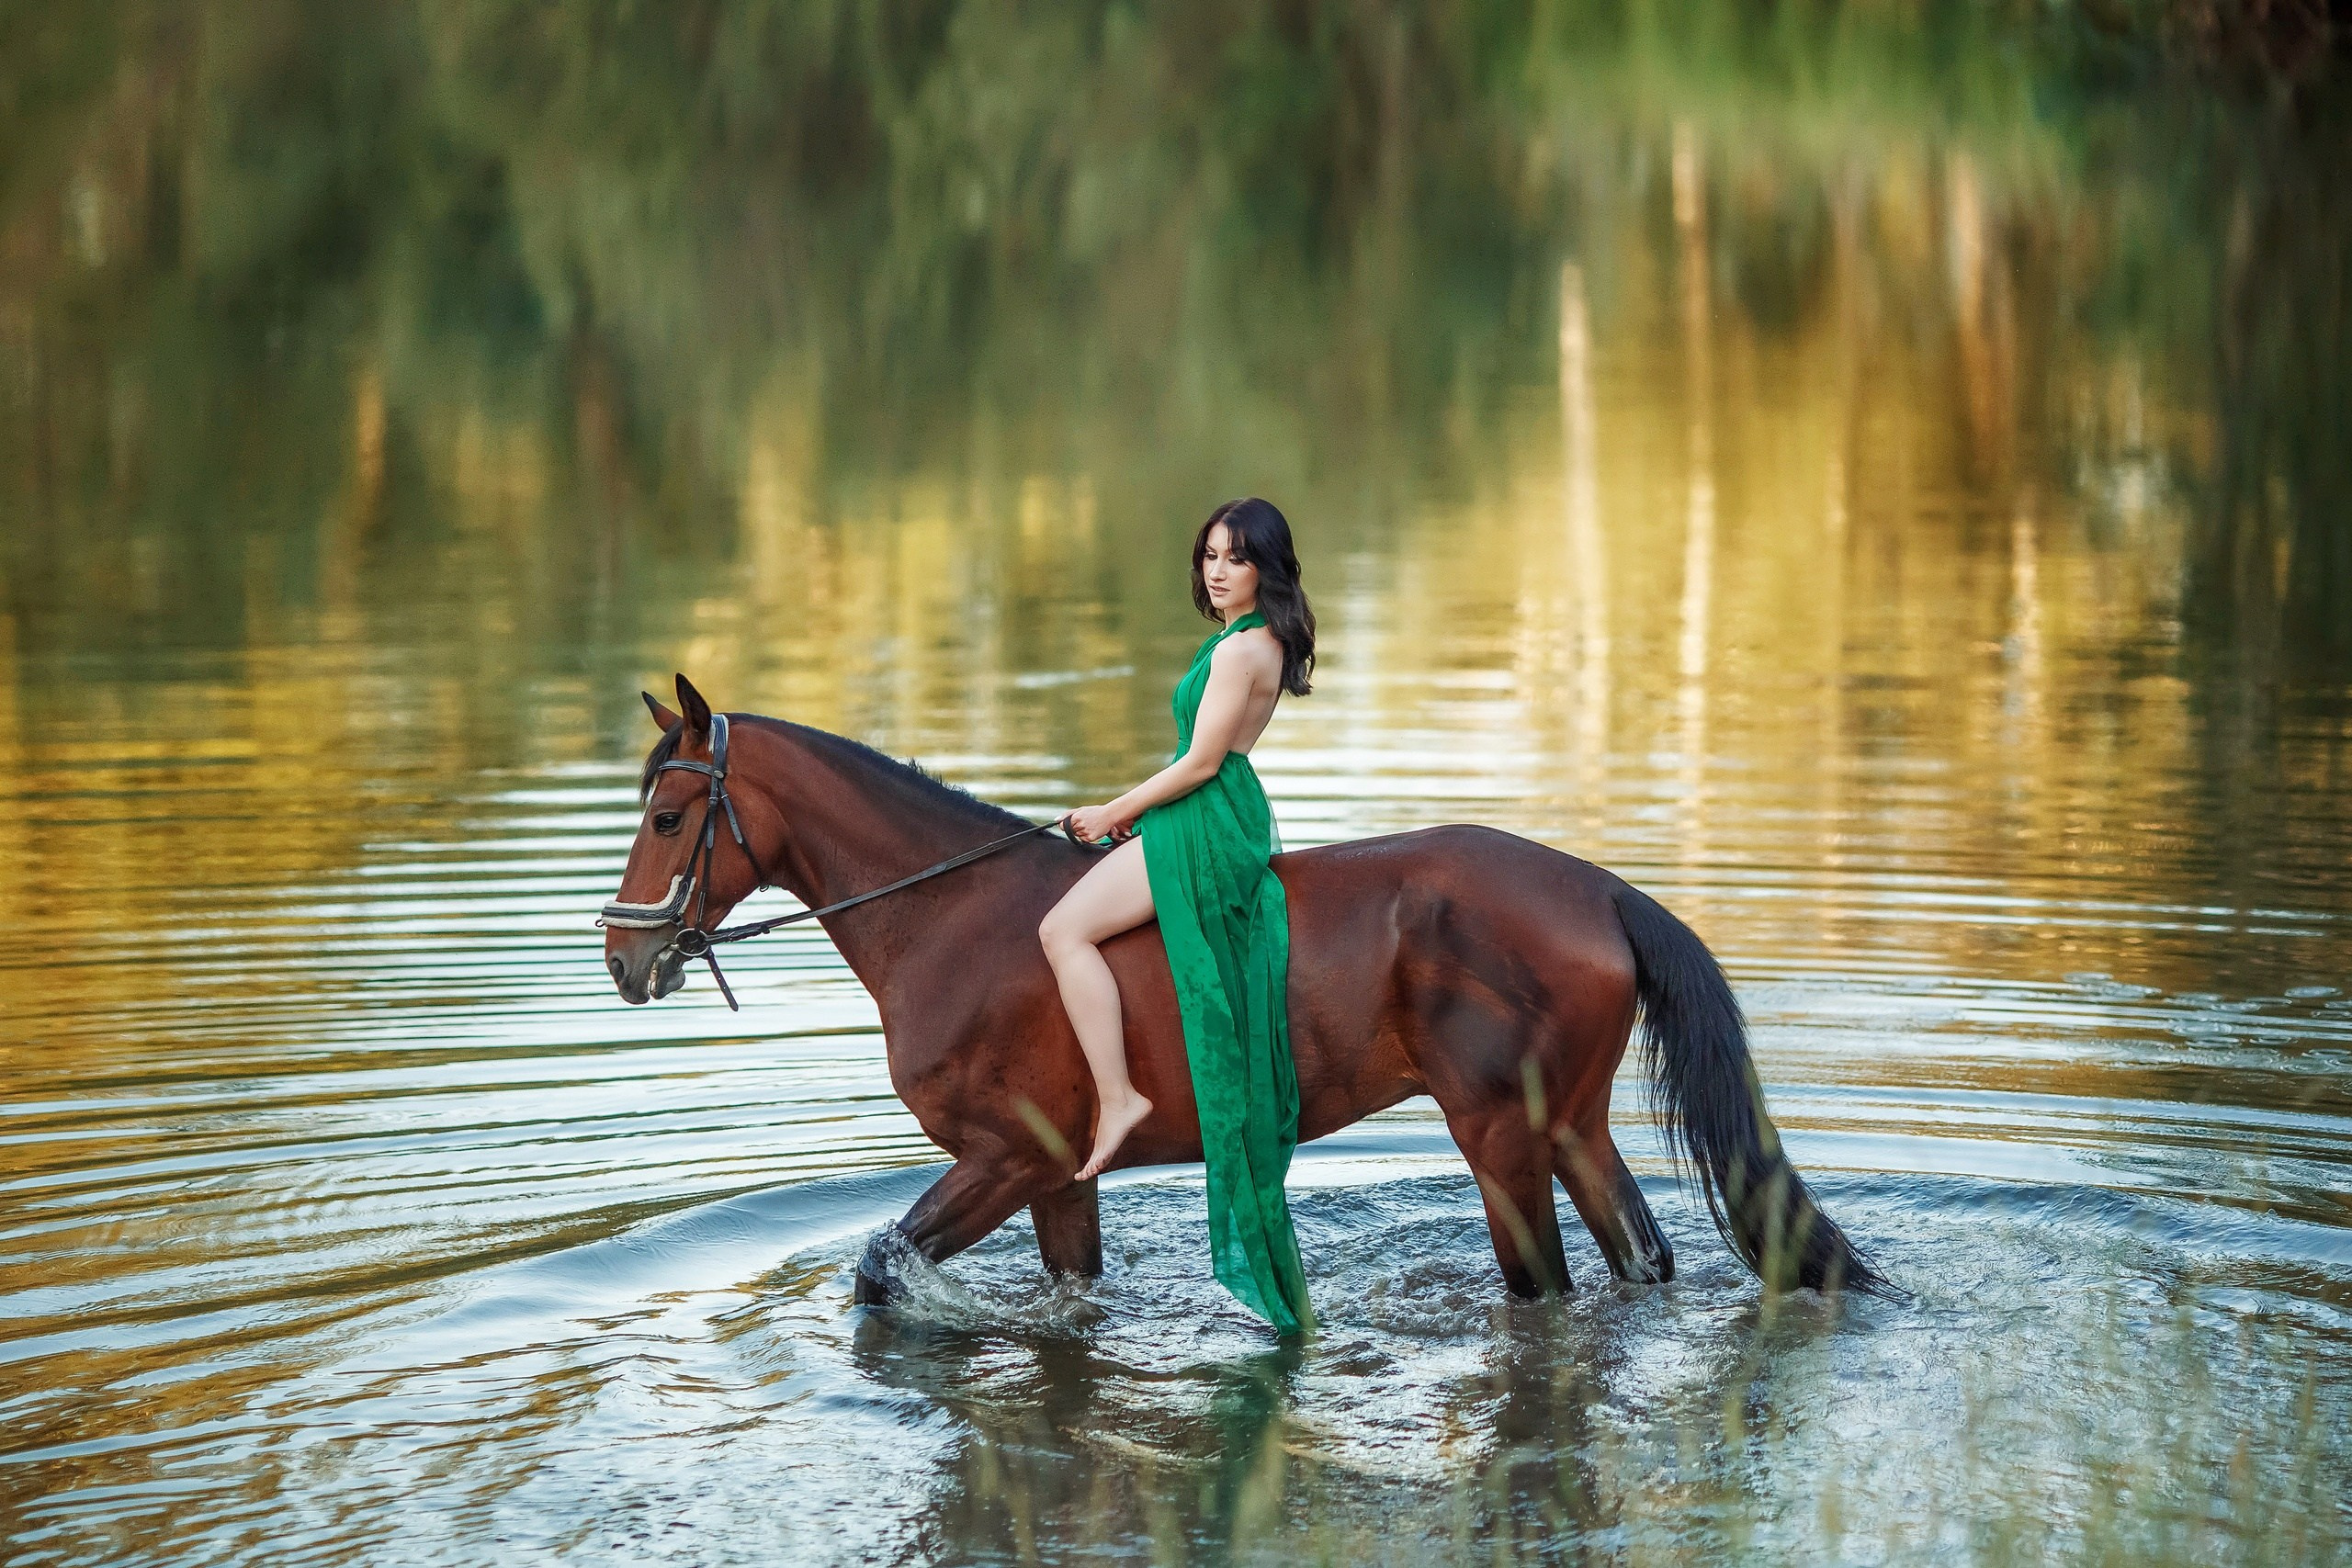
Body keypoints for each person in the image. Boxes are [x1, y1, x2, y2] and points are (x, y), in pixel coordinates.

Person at [1038, 496, 1318, 1333]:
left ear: (1265, 565)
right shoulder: (1247, 642)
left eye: (1234, 557)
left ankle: (1120, 1096)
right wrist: (1136, 814)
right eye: (1208, 556)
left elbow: (1200, 762)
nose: (1216, 571)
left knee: (1062, 929)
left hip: (1206, 819)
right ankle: (1118, 1091)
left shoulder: (1243, 650)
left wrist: (1109, 809)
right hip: (1209, 810)